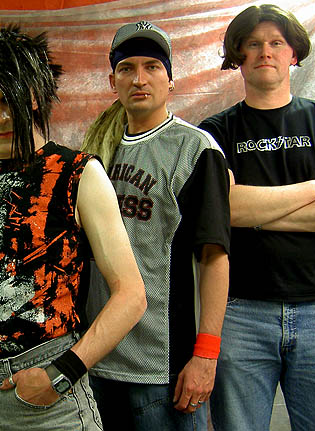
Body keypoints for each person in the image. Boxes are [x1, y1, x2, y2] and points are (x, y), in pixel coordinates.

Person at [0, 23, 147, 431]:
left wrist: (62, 373)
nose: (1, 116)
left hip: (44, 387)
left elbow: (131, 295)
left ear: (34, 97)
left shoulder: (79, 173)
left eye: (11, 99)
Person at [197, 4, 315, 430]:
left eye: (276, 43)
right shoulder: (215, 131)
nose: (265, 51)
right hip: (242, 312)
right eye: (253, 44)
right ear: (238, 56)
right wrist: (312, 190)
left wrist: (253, 213)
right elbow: (223, 210)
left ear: (293, 53)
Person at [83, 21, 231, 431]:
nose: (139, 79)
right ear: (112, 82)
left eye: (152, 67)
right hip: (97, 359)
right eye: (127, 68)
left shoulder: (194, 150)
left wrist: (206, 354)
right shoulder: (95, 151)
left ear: (171, 79)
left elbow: (214, 257)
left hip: (161, 369)